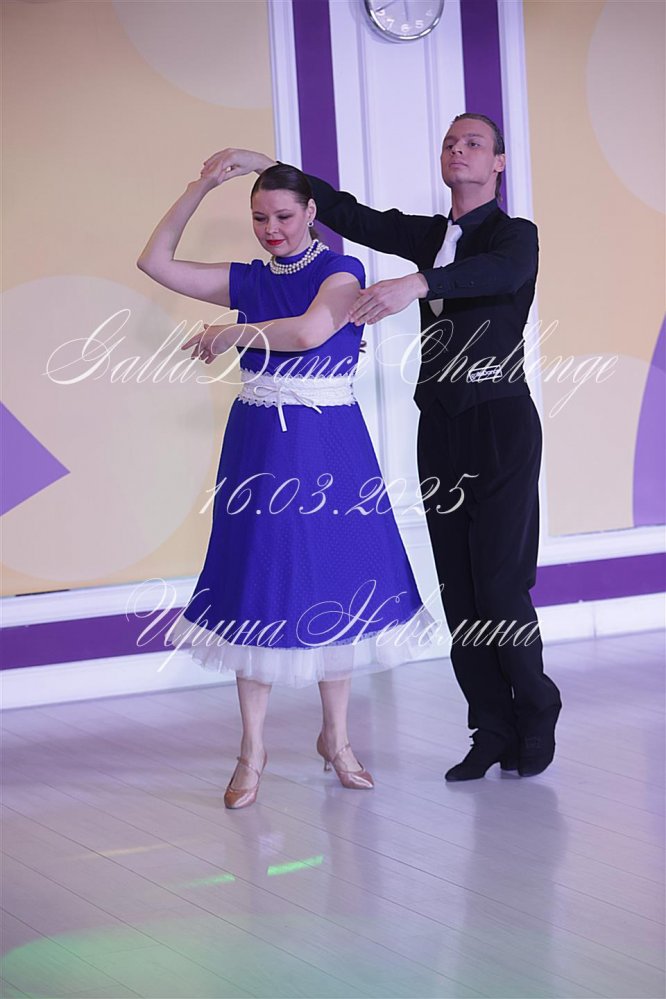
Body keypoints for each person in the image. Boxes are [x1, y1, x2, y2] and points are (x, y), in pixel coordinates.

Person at [201, 112, 562, 782]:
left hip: (501, 422)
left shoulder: (515, 236)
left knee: (501, 582)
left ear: (499, 163)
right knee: (459, 584)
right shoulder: (429, 236)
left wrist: (417, 283)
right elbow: (345, 212)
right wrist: (265, 164)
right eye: (450, 143)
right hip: (442, 426)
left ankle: (536, 713)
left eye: (473, 143)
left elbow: (499, 272)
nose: (458, 150)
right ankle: (490, 728)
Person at [137, 161, 434, 808]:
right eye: (259, 217)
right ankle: (252, 749)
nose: (271, 228)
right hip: (261, 442)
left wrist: (230, 332)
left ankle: (337, 738)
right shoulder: (247, 278)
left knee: (336, 578)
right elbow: (154, 263)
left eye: (283, 215)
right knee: (258, 580)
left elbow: (308, 332)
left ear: (310, 214)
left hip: (329, 441)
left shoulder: (341, 270)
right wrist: (198, 187)